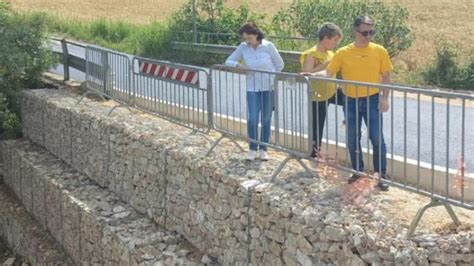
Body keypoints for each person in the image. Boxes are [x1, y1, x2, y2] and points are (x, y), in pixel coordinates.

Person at [313, 16, 392, 191]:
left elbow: (386, 76)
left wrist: (385, 98)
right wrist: (310, 75)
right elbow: (328, 72)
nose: (368, 36)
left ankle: (381, 175)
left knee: (377, 138)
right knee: (352, 137)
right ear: (355, 31)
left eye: (372, 32)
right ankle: (357, 170)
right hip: (350, 100)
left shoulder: (380, 51)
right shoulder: (343, 52)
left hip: (372, 99)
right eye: (365, 32)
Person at [225, 22, 284, 161]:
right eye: (245, 38)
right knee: (252, 119)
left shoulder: (268, 46)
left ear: (256, 35)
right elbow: (228, 61)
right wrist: (238, 66)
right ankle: (252, 148)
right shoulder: (243, 47)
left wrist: (271, 77)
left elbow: (280, 64)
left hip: (268, 88)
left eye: (249, 38)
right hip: (252, 87)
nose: (247, 41)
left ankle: (263, 148)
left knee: (266, 119)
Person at [300, 22, 344, 158]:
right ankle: (314, 153)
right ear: (326, 38)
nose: (336, 44)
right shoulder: (310, 54)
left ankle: (348, 119)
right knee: (317, 125)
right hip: (317, 95)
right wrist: (325, 66)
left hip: (332, 90)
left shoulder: (331, 53)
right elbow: (307, 74)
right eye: (335, 40)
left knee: (350, 99)